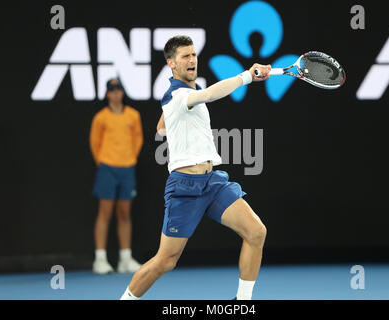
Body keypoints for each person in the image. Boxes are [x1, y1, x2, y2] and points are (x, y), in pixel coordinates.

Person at [120, 35, 271, 300]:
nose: (192, 60)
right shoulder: (179, 95)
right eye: (184, 56)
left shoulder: (182, 96)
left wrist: (173, 119)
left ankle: (242, 302)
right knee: (165, 261)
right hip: (185, 187)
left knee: (256, 232)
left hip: (212, 183)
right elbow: (211, 94)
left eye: (193, 54)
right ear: (171, 64)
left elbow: (160, 127)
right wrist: (247, 76)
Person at [90, 78, 144, 274]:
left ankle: (125, 258)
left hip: (127, 168)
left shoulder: (133, 116)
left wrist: (129, 158)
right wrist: (105, 161)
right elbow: (95, 144)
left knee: (124, 214)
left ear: (122, 92)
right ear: (107, 94)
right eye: (112, 90)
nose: (115, 93)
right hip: (107, 168)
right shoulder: (100, 118)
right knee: (104, 213)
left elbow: (137, 140)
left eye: (119, 89)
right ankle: (100, 259)